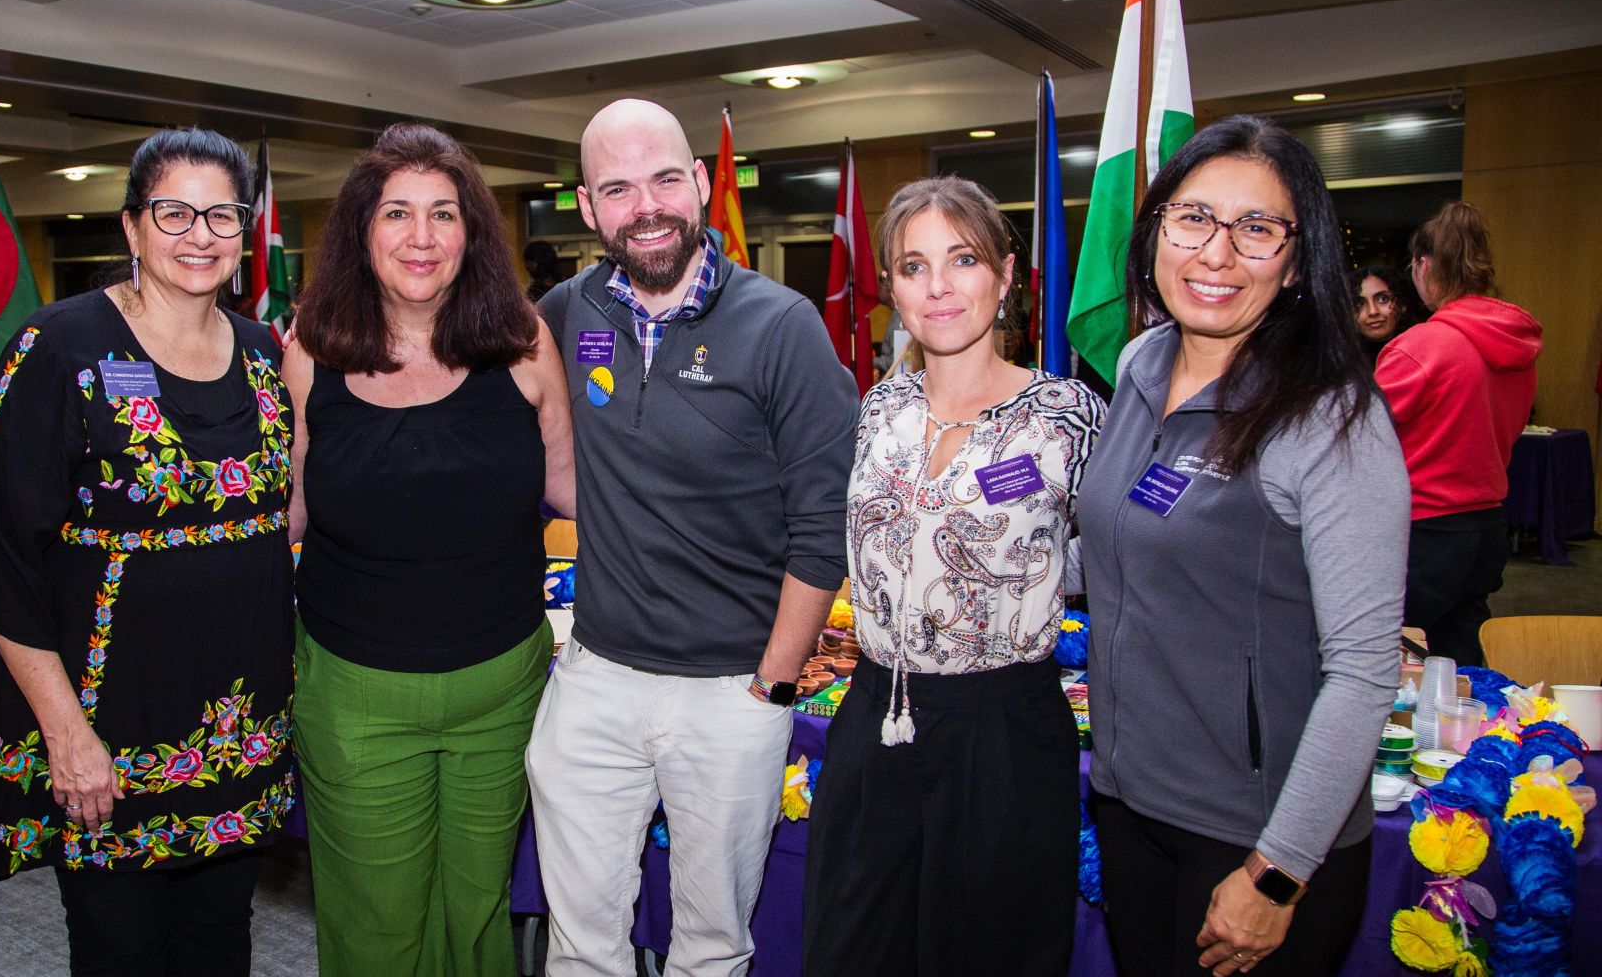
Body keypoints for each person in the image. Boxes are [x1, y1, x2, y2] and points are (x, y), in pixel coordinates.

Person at [527, 98, 857, 976]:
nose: (647, 207)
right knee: (578, 944)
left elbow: (824, 525)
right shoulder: (565, 311)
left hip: (729, 693)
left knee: (711, 949)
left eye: (666, 179)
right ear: (587, 207)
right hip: (594, 681)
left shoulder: (782, 326)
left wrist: (771, 689)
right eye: (617, 188)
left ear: (704, 183)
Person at [1078, 116, 1408, 976]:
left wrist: (1278, 871)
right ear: (1156, 231)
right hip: (1129, 802)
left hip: (1254, 836)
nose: (1216, 254)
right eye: (1193, 218)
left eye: (1257, 228)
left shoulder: (1330, 416)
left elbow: (1364, 669)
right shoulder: (1141, 364)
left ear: (1297, 263)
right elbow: (1116, 544)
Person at [0, 127, 295, 974]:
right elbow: (0, 559)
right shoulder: (60, 347)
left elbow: (280, 517)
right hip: (108, 734)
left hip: (242, 732)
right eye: (174, 212)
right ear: (131, 226)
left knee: (220, 944)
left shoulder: (264, 353)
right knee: (121, 952)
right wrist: (66, 734)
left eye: (221, 215)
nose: (200, 235)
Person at [283, 122, 573, 977]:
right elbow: (286, 513)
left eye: (443, 214)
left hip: (502, 690)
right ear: (361, 231)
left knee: (478, 913)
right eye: (397, 213)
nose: (422, 237)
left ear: (470, 233)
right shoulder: (311, 351)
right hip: (355, 694)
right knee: (378, 923)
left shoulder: (523, 341)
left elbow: (574, 489)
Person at [802, 177, 1103, 976]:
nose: (937, 285)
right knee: (849, 950)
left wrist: (1036, 579)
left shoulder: (1068, 417)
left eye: (962, 259)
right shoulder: (879, 408)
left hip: (1002, 735)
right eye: (914, 266)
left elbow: (1122, 560)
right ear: (893, 289)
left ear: (1004, 278)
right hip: (875, 718)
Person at [1377, 202, 1540, 665]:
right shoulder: (1517, 346)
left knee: (1384, 658)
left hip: (1423, 529)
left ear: (1424, 265)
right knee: (1459, 657)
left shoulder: (1420, 347)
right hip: (1485, 527)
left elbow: (1358, 436)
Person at [1349, 264, 1422, 363]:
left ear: (1402, 304)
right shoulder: (1342, 361)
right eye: (1360, 304)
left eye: (1383, 299)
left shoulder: (1423, 350)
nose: (1373, 311)